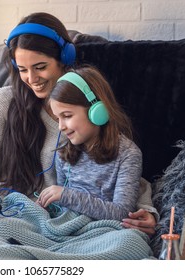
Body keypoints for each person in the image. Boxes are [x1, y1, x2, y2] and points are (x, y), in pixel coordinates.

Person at [0, 12, 158, 234]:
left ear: (64, 58)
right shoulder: (2, 101)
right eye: (22, 69)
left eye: (40, 67)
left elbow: (116, 171)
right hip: (7, 208)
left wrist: (146, 209)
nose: (31, 79)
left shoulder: (86, 107)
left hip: (48, 219)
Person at [37, 66, 142, 221]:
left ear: (97, 111)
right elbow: (63, 208)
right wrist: (48, 205)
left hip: (104, 232)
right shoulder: (63, 154)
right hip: (68, 227)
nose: (61, 126)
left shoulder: (128, 154)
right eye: (58, 118)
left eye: (67, 116)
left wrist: (66, 195)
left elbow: (122, 214)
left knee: (131, 241)